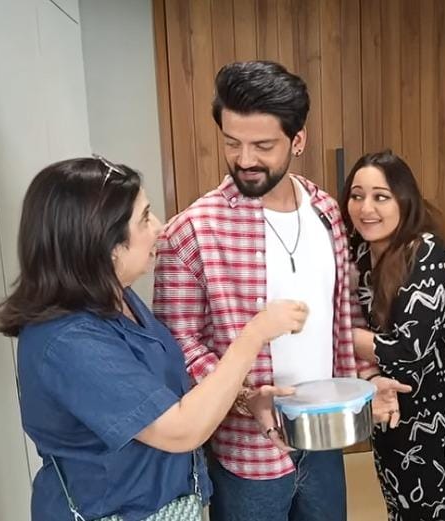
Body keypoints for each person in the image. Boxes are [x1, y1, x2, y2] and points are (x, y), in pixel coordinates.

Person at [153, 61, 409, 521]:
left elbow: (342, 314)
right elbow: (178, 343)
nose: (244, 159)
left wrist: (367, 378)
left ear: (298, 140)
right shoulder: (193, 230)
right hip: (247, 454)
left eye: (263, 145)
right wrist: (244, 396)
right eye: (232, 142)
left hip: (323, 436)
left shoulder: (326, 211)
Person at [0, 156, 310, 521]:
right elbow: (180, 429)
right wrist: (254, 335)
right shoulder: (68, 342)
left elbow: (157, 389)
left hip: (171, 504)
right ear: (106, 243)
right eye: (144, 218)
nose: (160, 227)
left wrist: (242, 398)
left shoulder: (119, 298)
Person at [342, 150, 445, 520]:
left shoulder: (428, 253)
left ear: (405, 200)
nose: (366, 208)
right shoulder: (358, 253)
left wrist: (337, 334)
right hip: (395, 418)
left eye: (381, 196)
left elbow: (406, 351)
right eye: (357, 195)